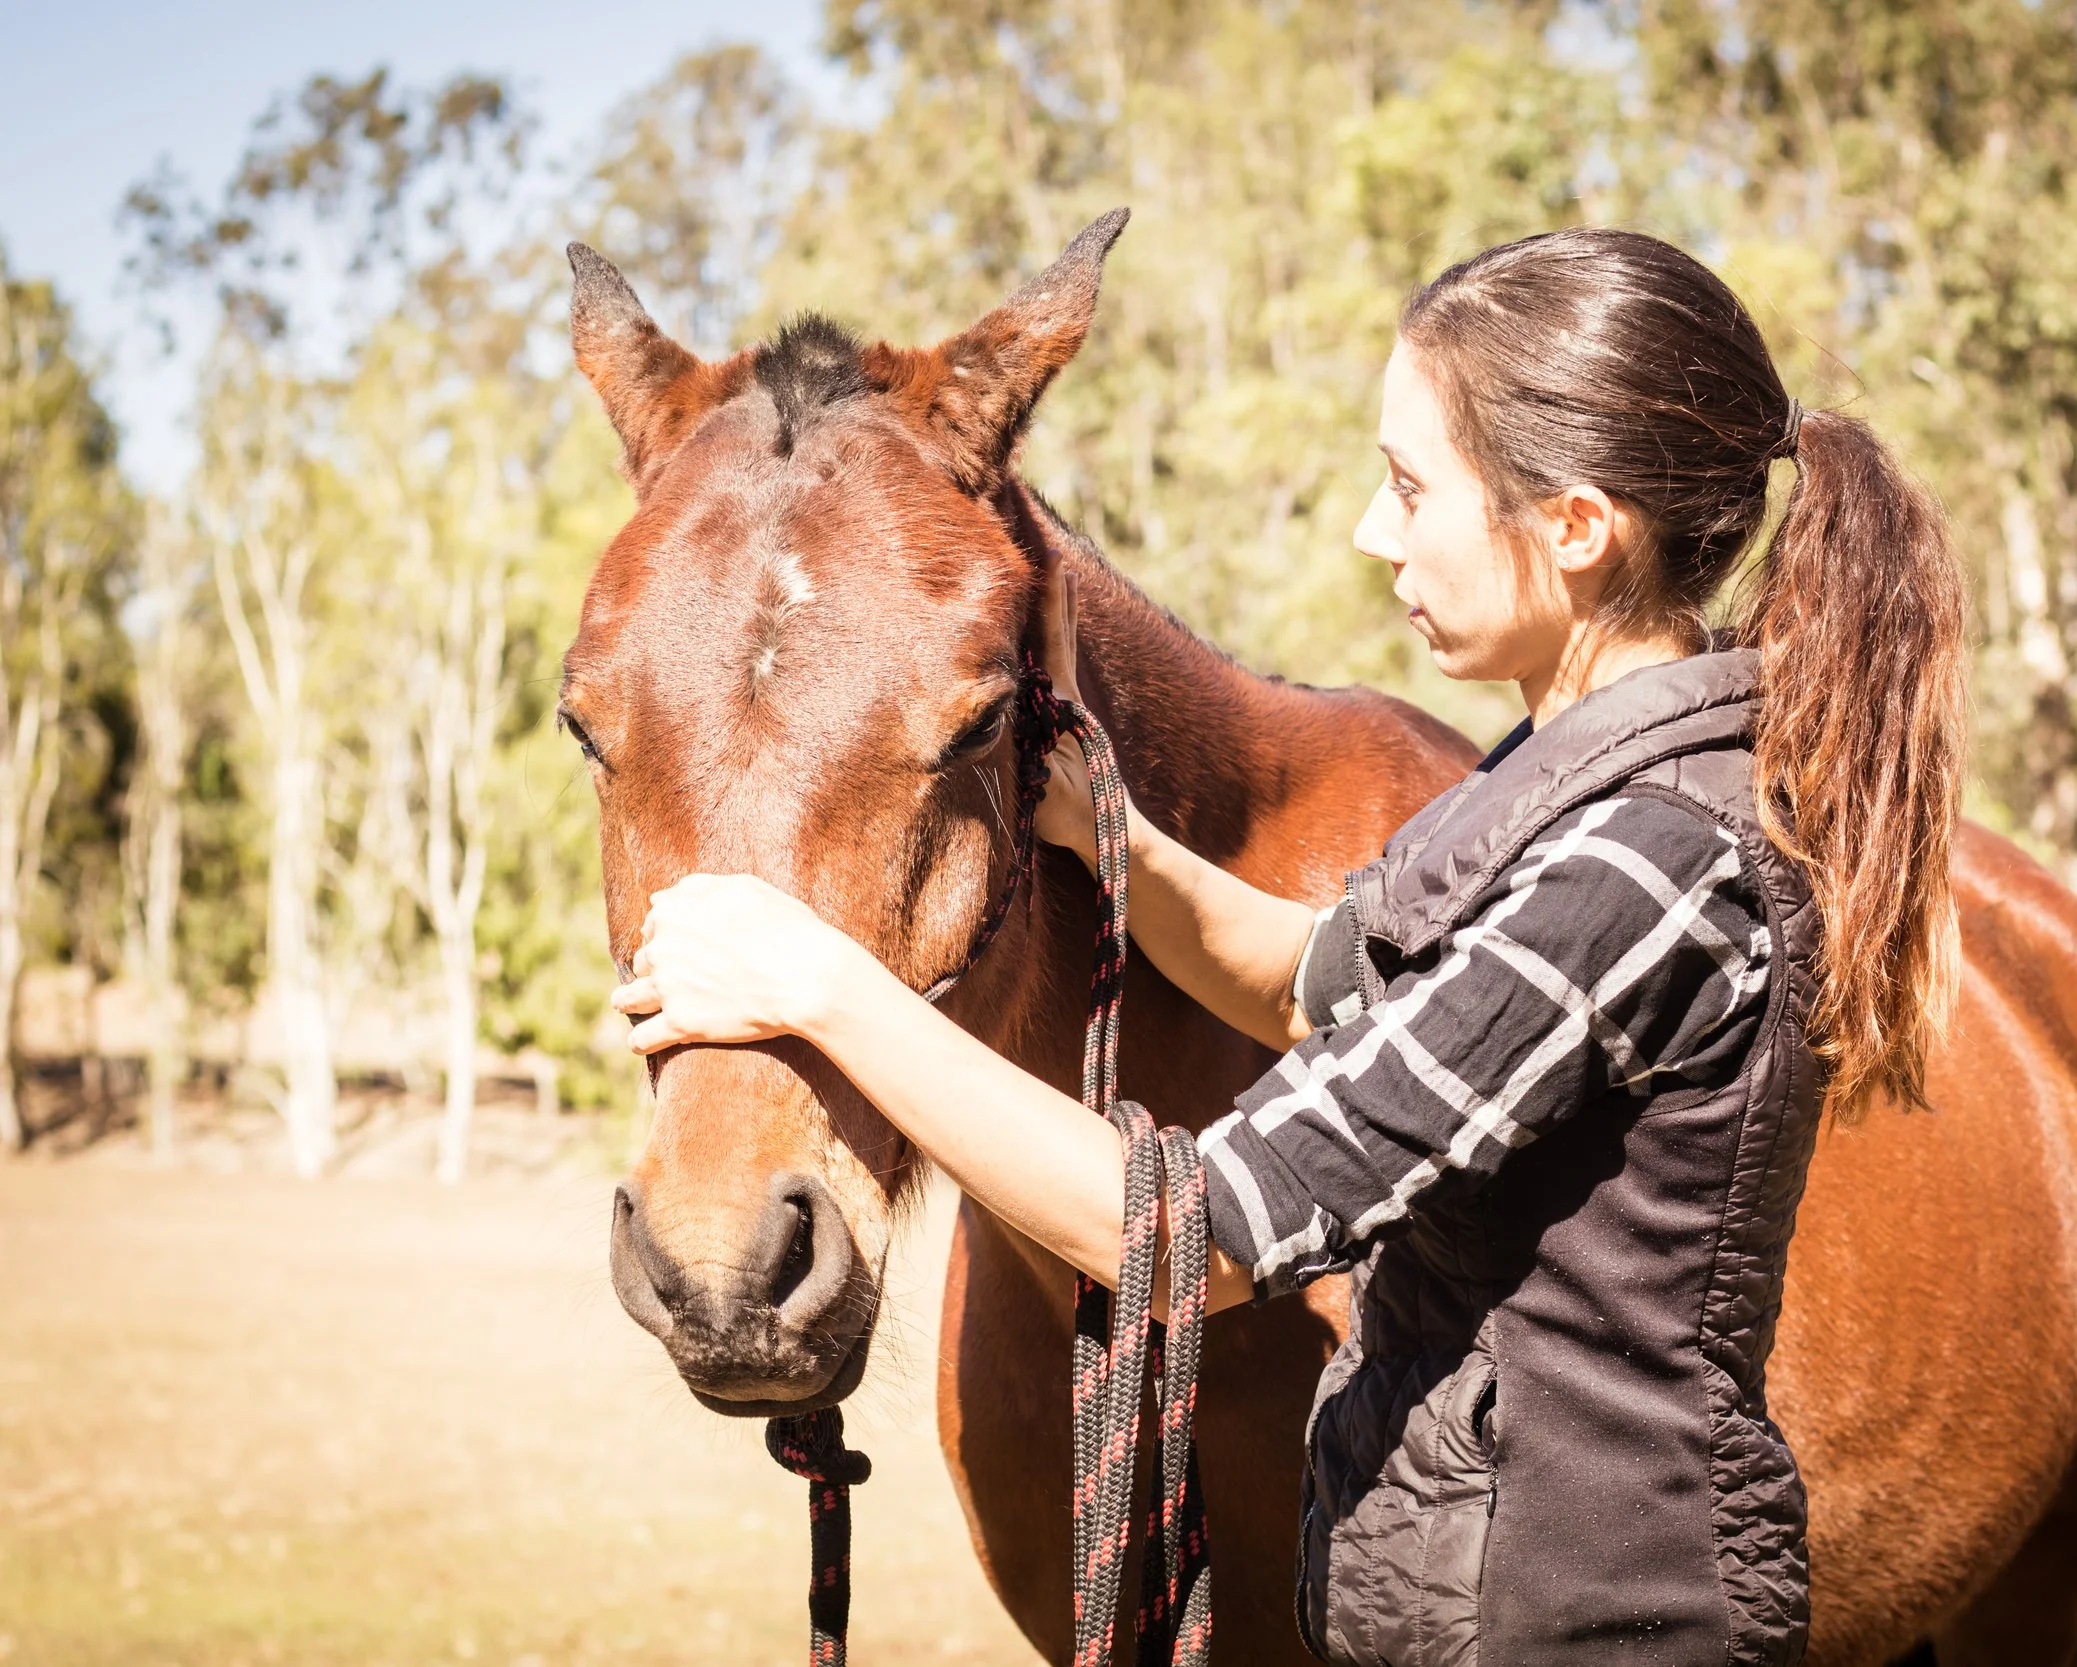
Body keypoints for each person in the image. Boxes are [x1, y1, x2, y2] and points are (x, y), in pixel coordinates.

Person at [611, 227, 1965, 1666]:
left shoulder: (1641, 864)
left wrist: (821, 985)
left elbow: (1200, 1232)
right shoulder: (1550, 798)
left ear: (1576, 526)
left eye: (1410, 487)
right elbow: (1317, 976)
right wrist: (1094, 821)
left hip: (1576, 1620)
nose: (1376, 537)